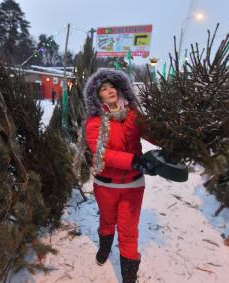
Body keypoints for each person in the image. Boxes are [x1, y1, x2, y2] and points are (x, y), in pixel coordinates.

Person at [83, 68, 156, 283]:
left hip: (133, 185)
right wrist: (133, 161)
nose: (109, 90)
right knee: (107, 221)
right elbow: (101, 152)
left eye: (111, 86)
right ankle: (104, 249)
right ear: (98, 97)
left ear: (119, 88)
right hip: (106, 186)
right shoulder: (95, 122)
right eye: (103, 89)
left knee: (129, 231)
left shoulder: (133, 115)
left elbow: (152, 133)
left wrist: (171, 137)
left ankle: (129, 277)